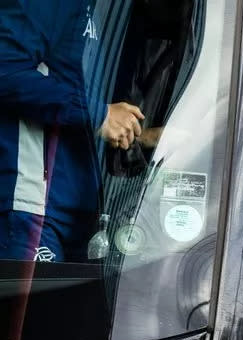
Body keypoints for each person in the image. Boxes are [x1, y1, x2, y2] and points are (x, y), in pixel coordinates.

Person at [0, 0, 142, 263]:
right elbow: (5, 68)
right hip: (32, 208)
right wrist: (99, 115)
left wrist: (142, 136)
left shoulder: (98, 9)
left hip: (75, 211)